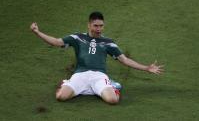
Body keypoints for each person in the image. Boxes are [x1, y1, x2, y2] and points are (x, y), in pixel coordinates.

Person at [30, 11, 163, 104]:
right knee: (60, 97)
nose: (99, 29)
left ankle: (113, 86)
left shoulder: (108, 42)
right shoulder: (77, 37)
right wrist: (37, 32)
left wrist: (146, 68)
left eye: (101, 26)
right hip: (80, 75)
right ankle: (66, 83)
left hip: (99, 76)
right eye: (96, 26)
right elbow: (56, 42)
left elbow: (125, 60)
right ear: (89, 25)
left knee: (113, 100)